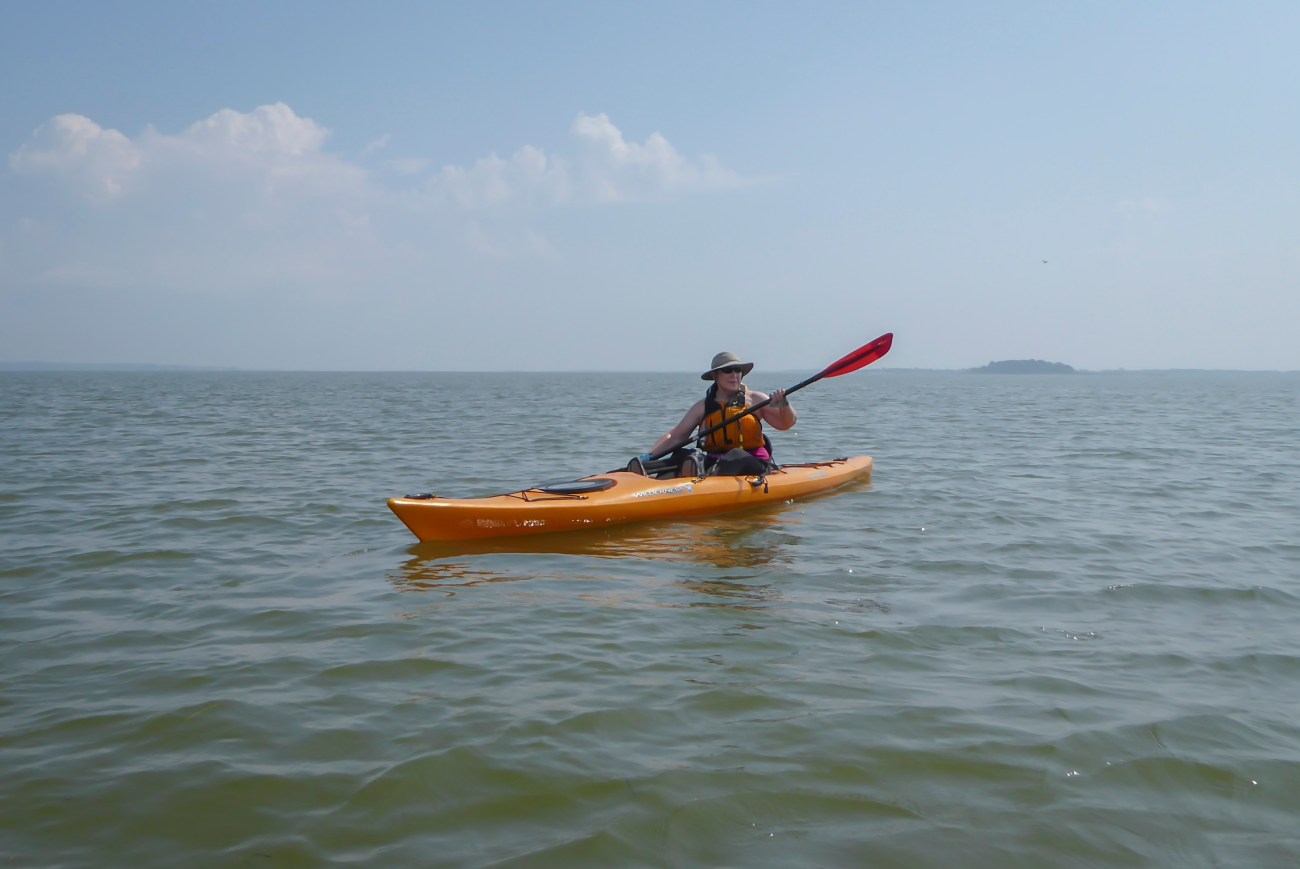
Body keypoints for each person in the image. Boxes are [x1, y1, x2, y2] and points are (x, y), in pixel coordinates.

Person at [631, 351, 797, 477]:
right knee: (684, 454)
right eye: (728, 371)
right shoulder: (703, 406)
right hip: (714, 460)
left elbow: (786, 424)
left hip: (753, 463)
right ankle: (640, 470)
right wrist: (650, 456)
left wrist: (784, 405)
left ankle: (701, 475)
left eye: (737, 370)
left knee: (735, 455)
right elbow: (676, 437)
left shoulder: (755, 399)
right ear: (715, 375)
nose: (734, 375)